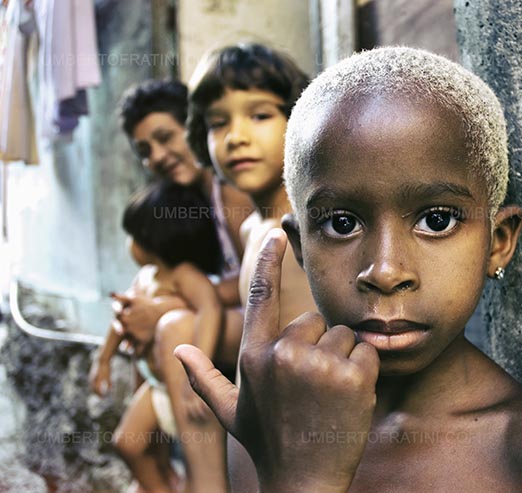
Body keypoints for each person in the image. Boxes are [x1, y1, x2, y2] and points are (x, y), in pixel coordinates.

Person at [174, 47, 522, 492]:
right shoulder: (273, 432)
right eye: (341, 223)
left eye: (437, 220)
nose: (386, 271)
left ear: (498, 242)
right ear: (300, 247)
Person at [185, 42, 318, 491]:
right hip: (257, 445)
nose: (235, 136)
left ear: (299, 118)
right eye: (217, 122)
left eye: (259, 115)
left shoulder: (304, 231)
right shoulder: (252, 230)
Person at [115, 80, 253, 493]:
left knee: (174, 325)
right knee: (155, 321)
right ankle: (156, 473)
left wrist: (166, 306)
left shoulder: (229, 191)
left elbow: (257, 280)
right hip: (224, 317)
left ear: (193, 128)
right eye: (144, 150)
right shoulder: (181, 201)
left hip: (267, 315)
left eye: (165, 138)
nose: (157, 156)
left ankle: (205, 483)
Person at [89, 181, 224, 493]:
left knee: (181, 460)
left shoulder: (183, 276)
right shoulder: (144, 278)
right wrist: (103, 360)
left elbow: (210, 309)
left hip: (177, 388)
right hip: (155, 386)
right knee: (127, 443)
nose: (129, 245)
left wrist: (200, 375)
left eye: (134, 237)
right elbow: (121, 322)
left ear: (151, 240)